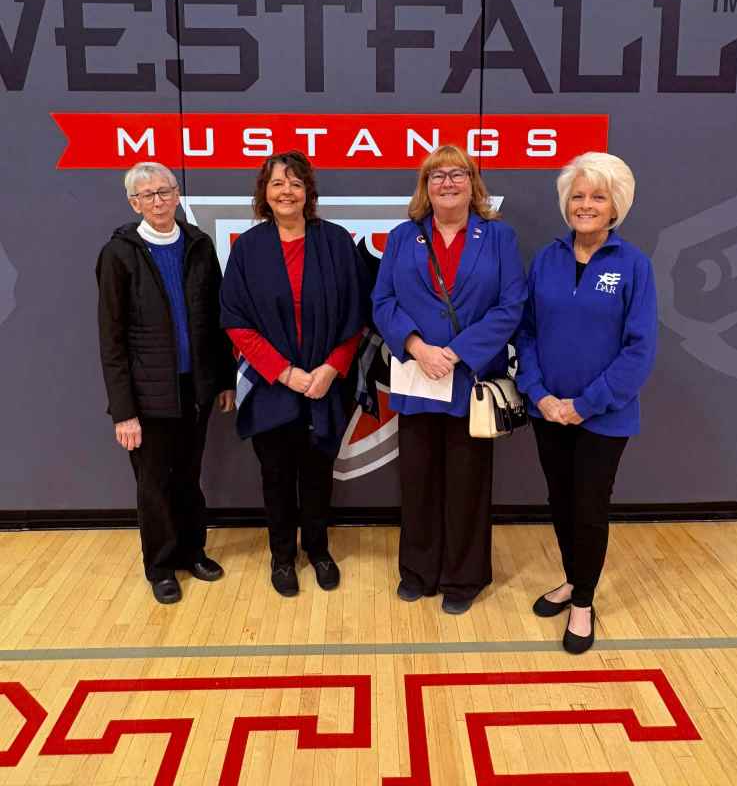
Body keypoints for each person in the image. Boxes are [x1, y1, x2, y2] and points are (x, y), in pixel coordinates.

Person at [372, 145, 526, 615]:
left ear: (473, 183)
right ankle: (418, 572)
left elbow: (511, 306)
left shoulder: (498, 237)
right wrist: (417, 347)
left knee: (467, 484)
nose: (447, 182)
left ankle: (464, 577)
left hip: (470, 380)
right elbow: (382, 301)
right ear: (425, 186)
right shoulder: (403, 236)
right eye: (436, 175)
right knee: (417, 482)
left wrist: (457, 353)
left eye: (457, 173)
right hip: (417, 377)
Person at [516, 152, 657, 654]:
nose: (586, 205)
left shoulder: (634, 265)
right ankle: (574, 578)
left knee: (589, 508)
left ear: (616, 205)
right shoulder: (547, 260)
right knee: (560, 501)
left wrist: (585, 403)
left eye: (598, 196)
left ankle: (582, 602)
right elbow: (526, 333)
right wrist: (540, 394)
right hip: (548, 411)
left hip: (604, 416)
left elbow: (639, 349)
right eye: (577, 196)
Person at [219, 151, 370, 597]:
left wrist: (331, 367)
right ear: (264, 194)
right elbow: (236, 321)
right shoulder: (248, 249)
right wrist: (284, 373)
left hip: (325, 384)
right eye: (277, 183)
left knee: (318, 474)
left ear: (308, 192)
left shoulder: (336, 242)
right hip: (272, 387)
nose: (287, 191)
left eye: (296, 183)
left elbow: (358, 314)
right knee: (277, 476)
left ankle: (318, 550)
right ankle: (282, 556)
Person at [96, 162, 235, 605]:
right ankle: (160, 566)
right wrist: (124, 412)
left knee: (188, 477)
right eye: (148, 195)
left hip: (196, 388)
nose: (158, 201)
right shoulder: (119, 254)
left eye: (165, 191)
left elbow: (216, 320)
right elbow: (111, 340)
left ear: (177, 195)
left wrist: (224, 379)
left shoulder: (199, 245)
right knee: (153, 484)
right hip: (147, 396)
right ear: (134, 203)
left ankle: (193, 552)